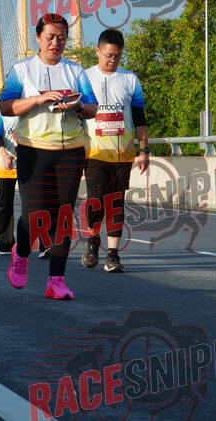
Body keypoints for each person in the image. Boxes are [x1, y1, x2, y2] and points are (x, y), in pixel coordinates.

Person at [0, 13, 98, 300]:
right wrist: (37, 99)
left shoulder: (76, 71)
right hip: (33, 149)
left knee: (63, 215)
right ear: (38, 38)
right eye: (50, 37)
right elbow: (5, 107)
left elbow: (93, 109)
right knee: (34, 213)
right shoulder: (22, 69)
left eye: (62, 38)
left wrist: (76, 107)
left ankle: (57, 280)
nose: (56, 43)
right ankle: (21, 253)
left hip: (71, 151)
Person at [81, 29, 150, 273]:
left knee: (116, 202)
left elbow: (139, 116)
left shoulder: (130, 79)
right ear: (97, 51)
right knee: (96, 201)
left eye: (117, 56)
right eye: (108, 55)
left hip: (123, 153)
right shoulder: (84, 77)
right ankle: (92, 240)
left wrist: (144, 149)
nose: (113, 60)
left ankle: (113, 255)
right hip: (94, 152)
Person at [0, 98, 18, 255]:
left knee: (35, 202)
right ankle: (2, 241)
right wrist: (5, 155)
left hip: (30, 160)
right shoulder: (1, 103)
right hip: (6, 160)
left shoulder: (31, 99)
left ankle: (42, 244)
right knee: (5, 201)